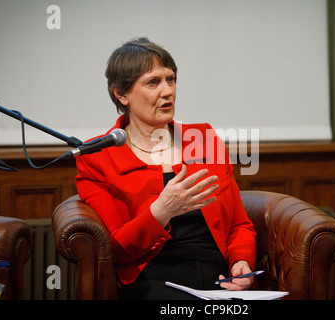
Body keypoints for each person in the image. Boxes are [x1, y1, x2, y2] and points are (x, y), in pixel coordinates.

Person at [75, 37, 257, 300]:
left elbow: (239, 224)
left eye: (170, 79)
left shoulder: (203, 138)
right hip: (152, 279)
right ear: (121, 94)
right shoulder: (98, 157)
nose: (168, 91)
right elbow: (115, 250)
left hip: (219, 278)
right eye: (153, 82)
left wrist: (242, 263)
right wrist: (160, 212)